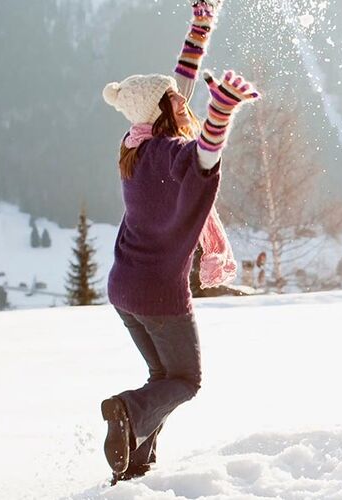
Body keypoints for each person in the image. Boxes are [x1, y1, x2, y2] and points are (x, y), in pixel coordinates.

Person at [99, 0, 259, 483]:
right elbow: (204, 158)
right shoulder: (172, 155)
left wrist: (201, 26)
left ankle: (136, 464)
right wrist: (223, 111)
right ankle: (127, 411)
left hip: (123, 289)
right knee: (186, 381)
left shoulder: (135, 144)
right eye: (175, 98)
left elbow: (178, 88)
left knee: (162, 379)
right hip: (160, 295)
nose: (179, 97)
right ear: (168, 108)